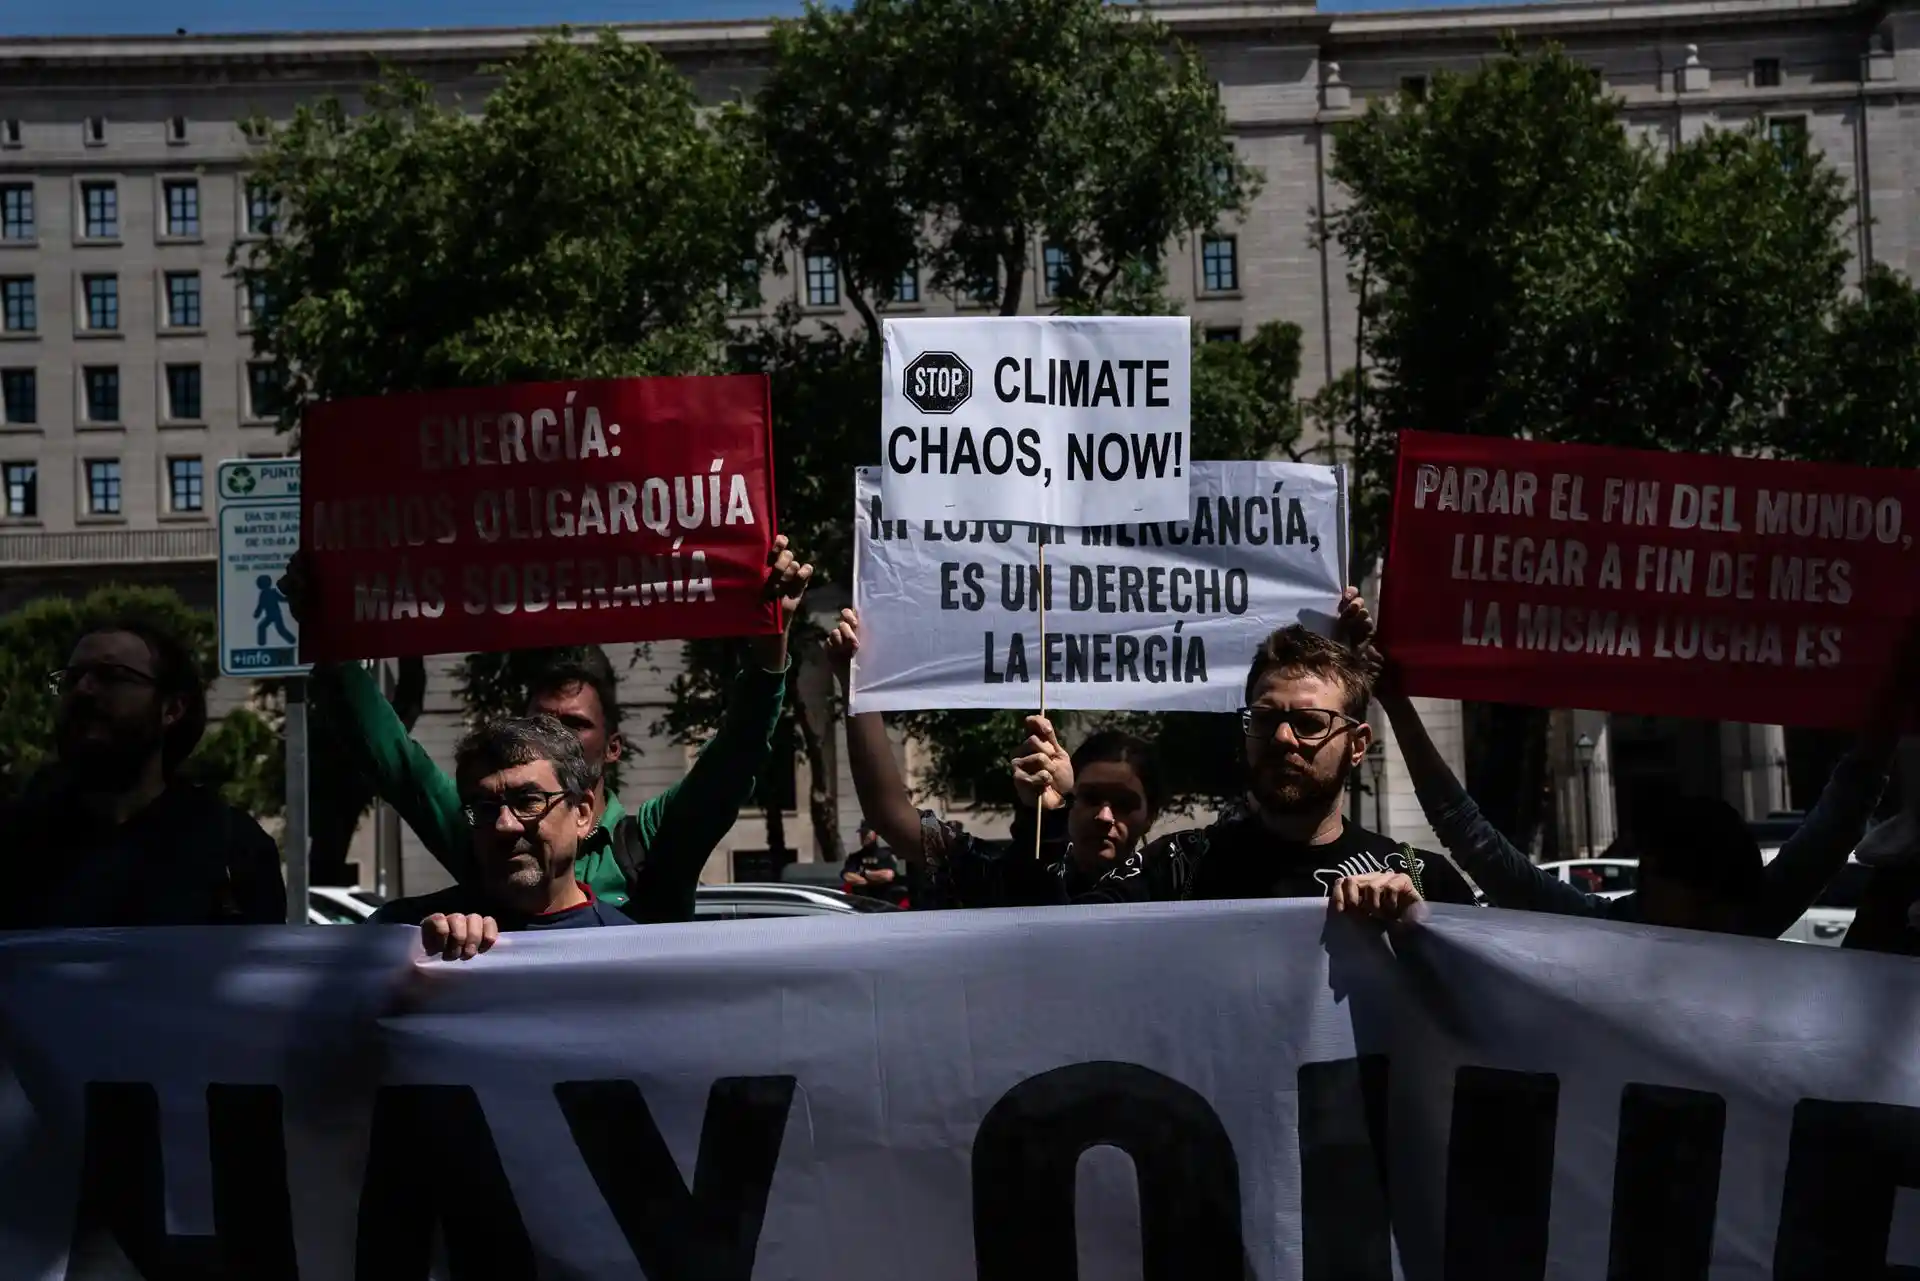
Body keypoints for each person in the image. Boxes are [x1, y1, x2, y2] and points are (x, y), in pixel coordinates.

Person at [283, 536, 812, 923]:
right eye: (542, 723)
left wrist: (771, 643)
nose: (511, 828)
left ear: (612, 750)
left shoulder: (648, 842)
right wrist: (329, 640)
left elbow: (732, 763)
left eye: (576, 725)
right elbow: (398, 764)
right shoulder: (490, 823)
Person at [1341, 587, 1902, 935]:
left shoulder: (1737, 924)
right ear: (1653, 882)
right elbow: (1470, 835)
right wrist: (1394, 699)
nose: (1708, 924)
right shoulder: (1641, 929)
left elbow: (1842, 819)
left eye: (1714, 904)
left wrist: (1893, 699)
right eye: (1700, 899)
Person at [1084, 618, 1478, 914]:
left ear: (1357, 746)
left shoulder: (1421, 881)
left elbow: (1492, 1001)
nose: (1283, 738)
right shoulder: (1176, 868)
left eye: (1309, 724)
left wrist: (1423, 934)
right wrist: (1047, 818)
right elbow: (1052, 950)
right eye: (1265, 719)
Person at [825, 607, 1142, 907]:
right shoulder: (996, 875)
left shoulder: (1175, 883)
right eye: (1088, 798)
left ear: (1152, 812)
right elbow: (892, 819)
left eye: (1124, 804)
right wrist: (858, 686)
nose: (1104, 816)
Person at [0, 619, 285, 928]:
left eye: (111, 676)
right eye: (72, 678)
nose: (83, 689)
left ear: (172, 709)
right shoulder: (16, 841)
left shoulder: (232, 849)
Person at [371, 715, 637, 958]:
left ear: (582, 812)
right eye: (485, 808)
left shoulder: (632, 951)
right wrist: (414, 958)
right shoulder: (408, 932)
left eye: (529, 801)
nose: (504, 824)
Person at [841, 823, 904, 903]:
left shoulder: (885, 855)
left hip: (883, 902)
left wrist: (864, 874)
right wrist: (874, 879)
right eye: (861, 834)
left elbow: (888, 875)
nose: (863, 837)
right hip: (860, 902)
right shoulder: (855, 857)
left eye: (866, 833)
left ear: (874, 834)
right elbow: (847, 876)